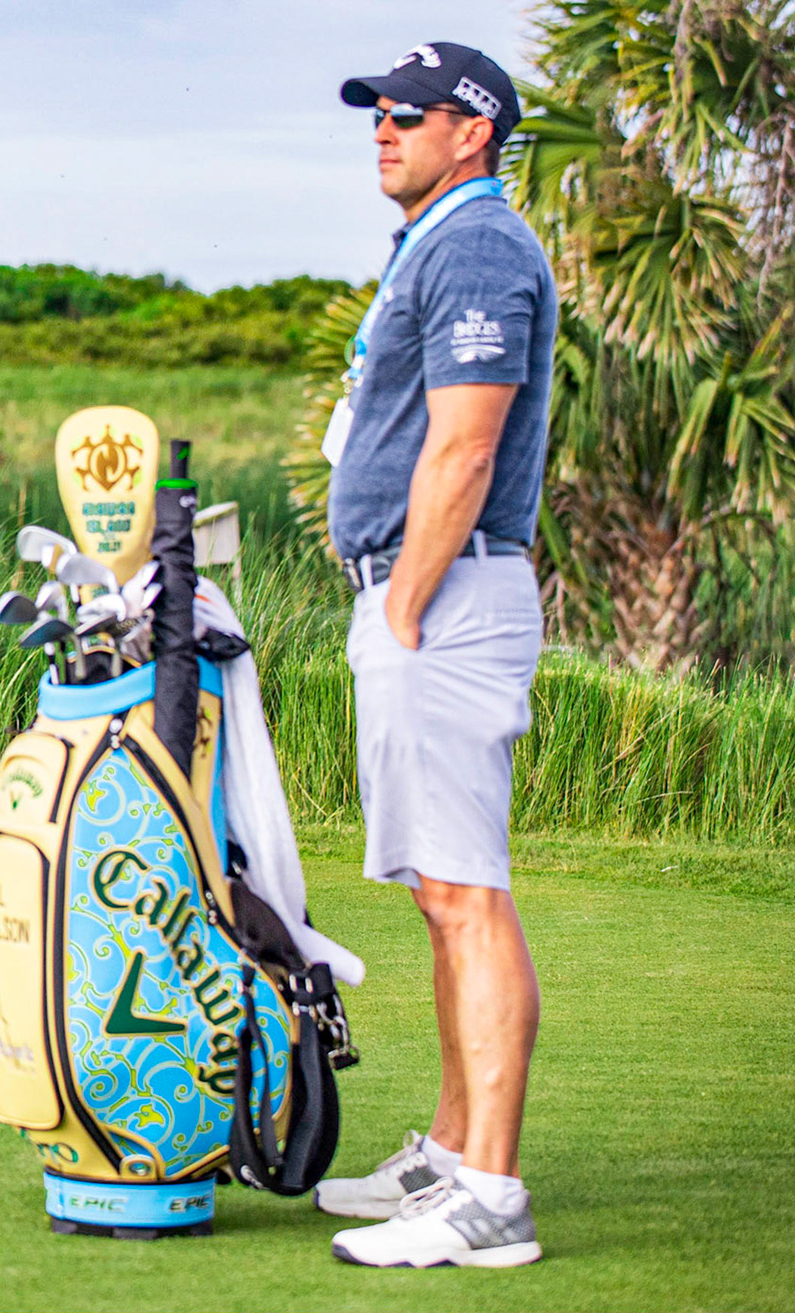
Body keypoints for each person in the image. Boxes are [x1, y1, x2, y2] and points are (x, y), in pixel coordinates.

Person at [310, 43, 556, 1267]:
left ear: (475, 131)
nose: (384, 128)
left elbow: (466, 444)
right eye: (377, 113)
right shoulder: (439, 239)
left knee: (465, 893)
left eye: (409, 113)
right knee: (438, 889)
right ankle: (453, 1151)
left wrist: (404, 599)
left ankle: (489, 1198)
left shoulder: (477, 242)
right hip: (428, 593)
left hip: (445, 598)